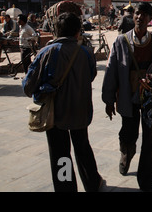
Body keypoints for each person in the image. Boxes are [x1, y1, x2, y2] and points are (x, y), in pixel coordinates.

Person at [22, 12, 103, 192]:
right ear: (77, 32)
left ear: (55, 31)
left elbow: (28, 87)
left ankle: (66, 188)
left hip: (55, 115)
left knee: (61, 155)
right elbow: (90, 76)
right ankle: (93, 184)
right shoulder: (87, 53)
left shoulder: (46, 53)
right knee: (83, 148)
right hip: (80, 111)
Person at [102, 2, 152, 191]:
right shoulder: (120, 42)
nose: (139, 17)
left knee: (149, 139)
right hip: (128, 97)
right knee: (128, 133)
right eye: (136, 14)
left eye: (143, 14)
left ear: (150, 19)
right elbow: (111, 72)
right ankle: (126, 152)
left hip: (149, 99)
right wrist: (109, 100)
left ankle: (147, 180)